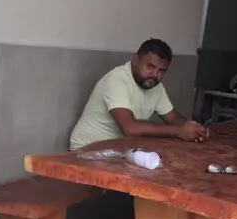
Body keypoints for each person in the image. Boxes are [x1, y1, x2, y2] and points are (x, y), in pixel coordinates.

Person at [70, 39, 207, 150]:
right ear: (135, 60)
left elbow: (173, 118)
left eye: (161, 71)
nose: (155, 75)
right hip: (86, 150)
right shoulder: (117, 80)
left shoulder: (155, 86)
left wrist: (193, 128)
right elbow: (130, 128)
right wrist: (179, 131)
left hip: (117, 150)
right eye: (150, 67)